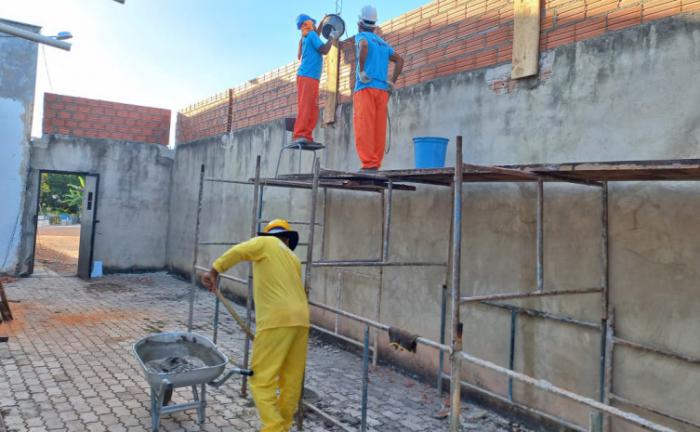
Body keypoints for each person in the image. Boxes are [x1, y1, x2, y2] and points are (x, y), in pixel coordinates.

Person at [200, 219, 309, 432]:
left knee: (261, 380)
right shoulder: (294, 258)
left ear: (270, 235)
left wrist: (214, 271)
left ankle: (274, 428)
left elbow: (239, 251)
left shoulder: (265, 242)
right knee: (291, 380)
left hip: (276, 320)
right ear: (287, 239)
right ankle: (284, 426)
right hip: (302, 321)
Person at [353, 5, 404, 172]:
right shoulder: (383, 44)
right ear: (374, 26)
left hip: (365, 87)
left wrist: (361, 71)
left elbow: (364, 46)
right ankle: (375, 164)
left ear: (360, 23)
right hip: (382, 90)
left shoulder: (361, 36)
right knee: (378, 128)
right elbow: (399, 60)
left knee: (364, 125)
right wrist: (391, 81)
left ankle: (368, 164)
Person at [293, 14, 337, 144]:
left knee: (312, 107)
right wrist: (331, 38)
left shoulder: (306, 36)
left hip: (310, 77)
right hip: (308, 76)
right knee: (306, 106)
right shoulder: (310, 35)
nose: (314, 24)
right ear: (308, 23)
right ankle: (299, 134)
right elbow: (324, 50)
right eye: (313, 22)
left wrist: (323, 21)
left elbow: (315, 34)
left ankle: (306, 136)